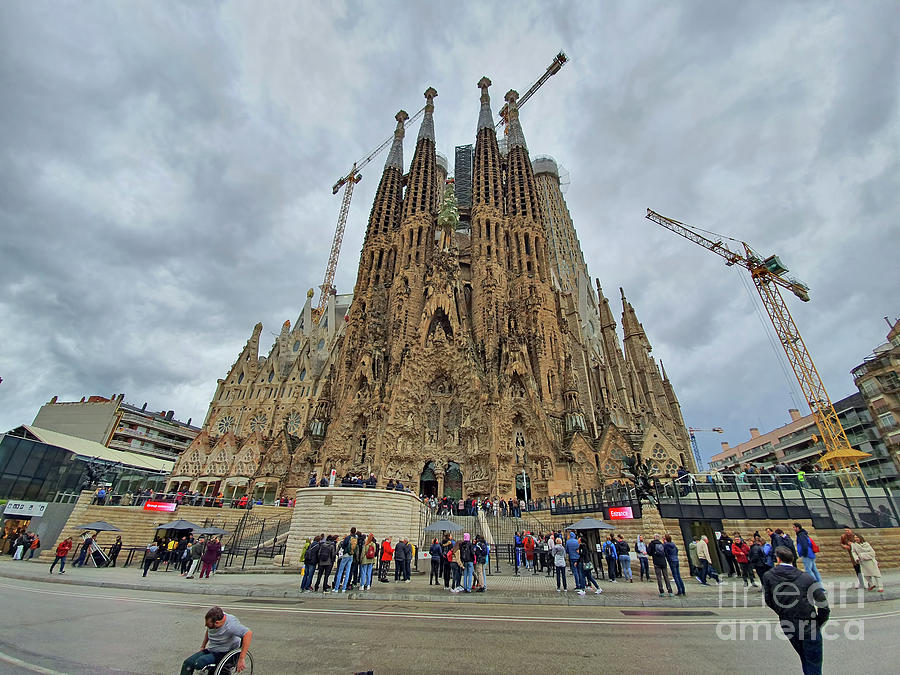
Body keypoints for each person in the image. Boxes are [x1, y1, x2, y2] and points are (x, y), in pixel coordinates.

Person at [763, 546, 829, 675]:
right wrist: (818, 622)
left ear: (778, 559)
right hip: (808, 624)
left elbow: (769, 600)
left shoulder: (768, 576)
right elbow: (823, 604)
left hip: (788, 623)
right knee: (813, 661)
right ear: (792, 560)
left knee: (805, 657)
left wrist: (783, 612)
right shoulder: (806, 578)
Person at [180, 606, 252, 675]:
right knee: (188, 663)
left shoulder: (231, 625)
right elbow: (209, 631)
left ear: (217, 622)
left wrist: (241, 658)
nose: (207, 626)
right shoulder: (215, 618)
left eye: (209, 625)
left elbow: (248, 633)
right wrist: (203, 645)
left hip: (225, 652)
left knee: (200, 663)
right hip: (213, 649)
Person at [335, 528, 358, 592]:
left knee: (340, 571)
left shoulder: (348, 537)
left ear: (350, 531)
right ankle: (344, 588)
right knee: (348, 572)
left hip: (346, 555)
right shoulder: (355, 538)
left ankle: (336, 588)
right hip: (351, 555)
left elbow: (343, 545)